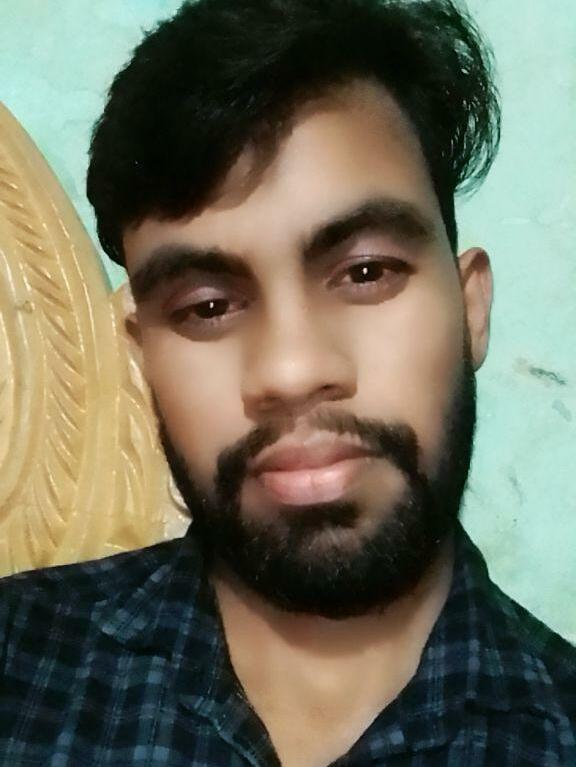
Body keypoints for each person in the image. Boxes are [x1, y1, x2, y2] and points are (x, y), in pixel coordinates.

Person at [0, 0, 574, 764]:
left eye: (365, 272)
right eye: (207, 307)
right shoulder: (20, 665)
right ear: (142, 360)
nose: (291, 371)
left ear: (471, 309)